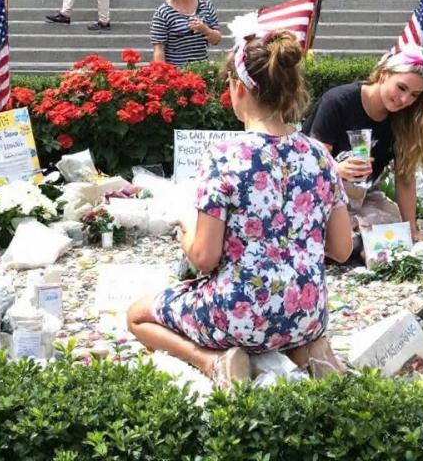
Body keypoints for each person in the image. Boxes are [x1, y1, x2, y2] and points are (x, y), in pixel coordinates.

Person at [127, 30, 353, 389]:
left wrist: (186, 228)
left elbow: (204, 257)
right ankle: (311, 353)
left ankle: (214, 362)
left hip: (238, 315)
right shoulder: (319, 156)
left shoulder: (225, 156)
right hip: (306, 314)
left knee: (138, 315)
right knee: (285, 327)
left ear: (239, 88)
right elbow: (342, 250)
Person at [304, 48, 423, 245]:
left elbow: (405, 177)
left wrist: (411, 229)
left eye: (414, 95)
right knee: (354, 239)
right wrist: (337, 169)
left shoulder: (404, 120)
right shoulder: (339, 101)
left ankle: (357, 242)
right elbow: (311, 163)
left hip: (363, 198)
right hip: (320, 194)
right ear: (384, 74)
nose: (405, 100)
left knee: (393, 233)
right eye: (401, 88)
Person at [149, 0, 221, 66]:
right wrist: (162, 75)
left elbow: (216, 40)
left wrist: (205, 30)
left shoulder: (206, 4)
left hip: (201, 72)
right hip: (177, 75)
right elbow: (159, 49)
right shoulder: (163, 12)